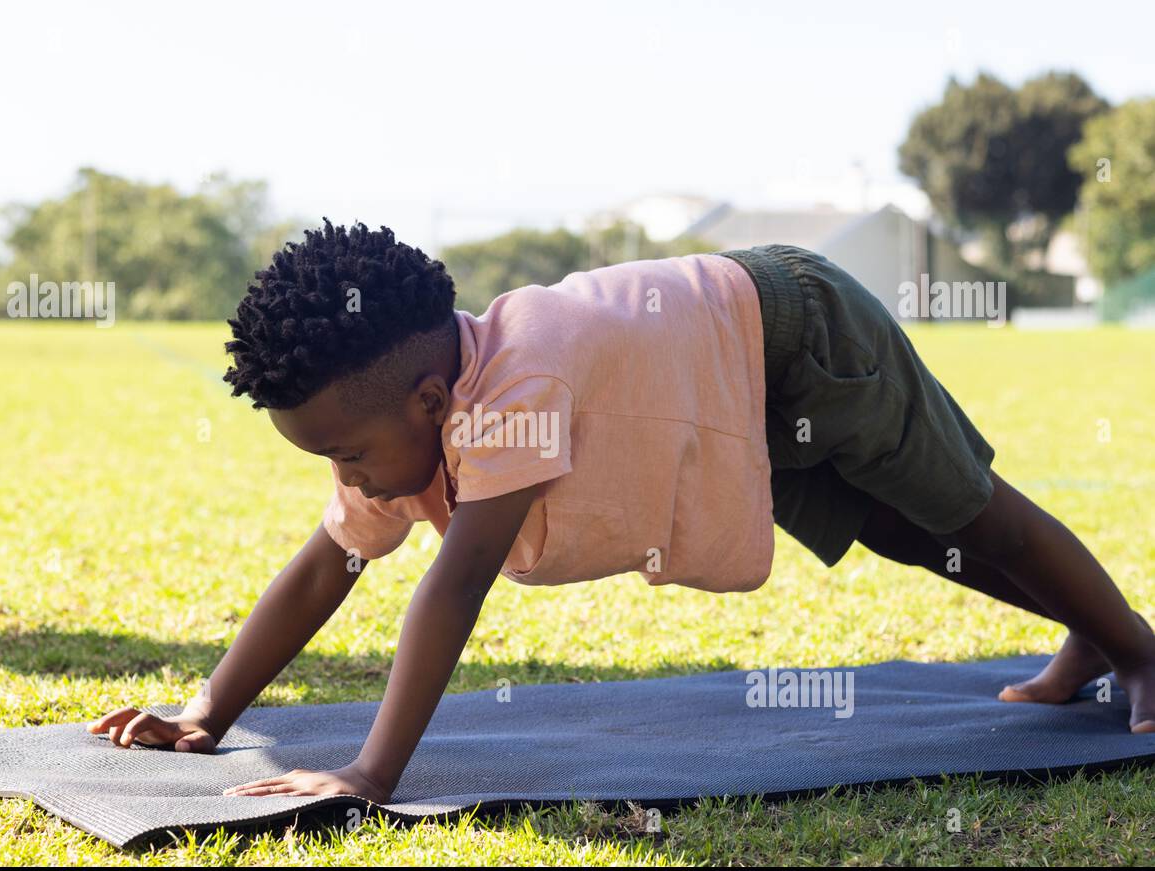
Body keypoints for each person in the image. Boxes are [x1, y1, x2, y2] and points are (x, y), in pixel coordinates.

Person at [87, 218, 1155, 805]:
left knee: (969, 512)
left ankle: (1137, 650)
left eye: (347, 453)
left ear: (425, 400)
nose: (353, 481)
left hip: (797, 330)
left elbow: (452, 584)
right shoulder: (404, 432)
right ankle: (1087, 634)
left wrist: (374, 773)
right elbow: (328, 564)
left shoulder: (512, 385)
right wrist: (208, 715)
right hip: (727, 382)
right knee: (910, 537)